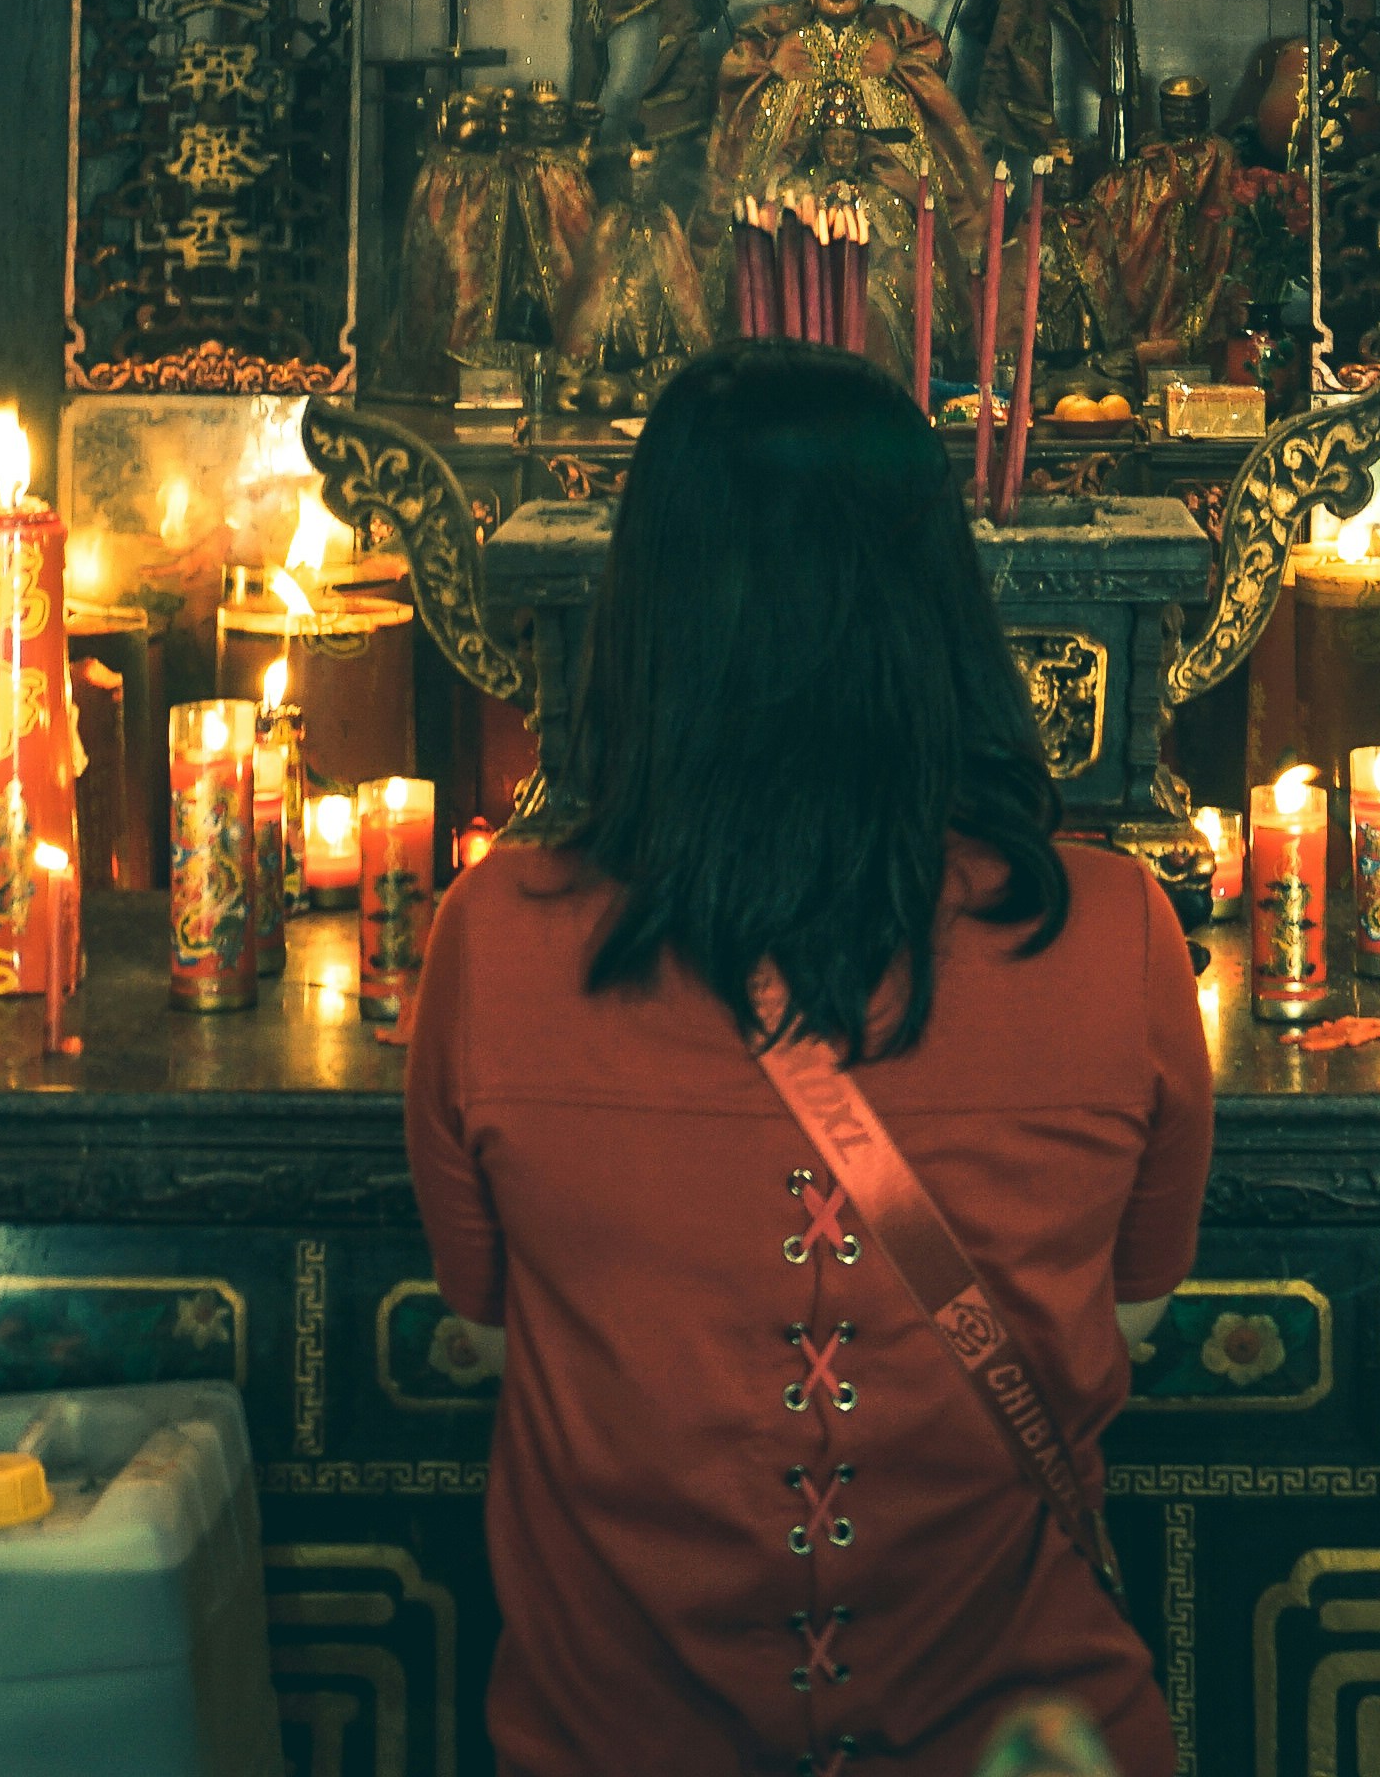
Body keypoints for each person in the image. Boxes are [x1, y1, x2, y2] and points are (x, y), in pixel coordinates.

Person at [410, 342, 1211, 1776]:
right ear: (943, 608)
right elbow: (1131, 1325)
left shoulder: (495, 942)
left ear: (639, 613)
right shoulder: (1119, 934)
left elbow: (486, 1337)